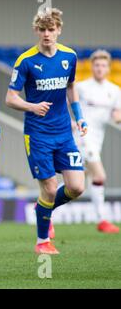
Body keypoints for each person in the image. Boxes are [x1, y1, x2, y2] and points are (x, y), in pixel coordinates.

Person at [5, 8, 88, 254]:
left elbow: (71, 86)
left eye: (51, 29)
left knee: (76, 188)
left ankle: (43, 209)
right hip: (38, 134)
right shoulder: (26, 61)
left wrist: (80, 117)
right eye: (42, 29)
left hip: (64, 133)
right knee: (50, 188)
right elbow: (10, 98)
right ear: (36, 31)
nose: (47, 34)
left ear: (59, 30)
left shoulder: (69, 57)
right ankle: (42, 243)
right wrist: (32, 106)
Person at [74, 49, 121, 233]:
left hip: (97, 140)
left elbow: (116, 115)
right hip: (82, 138)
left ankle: (46, 206)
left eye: (103, 65)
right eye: (97, 65)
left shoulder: (115, 91)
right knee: (99, 176)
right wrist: (70, 122)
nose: (100, 68)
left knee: (77, 183)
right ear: (92, 67)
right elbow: (64, 105)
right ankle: (102, 220)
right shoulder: (81, 87)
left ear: (108, 68)